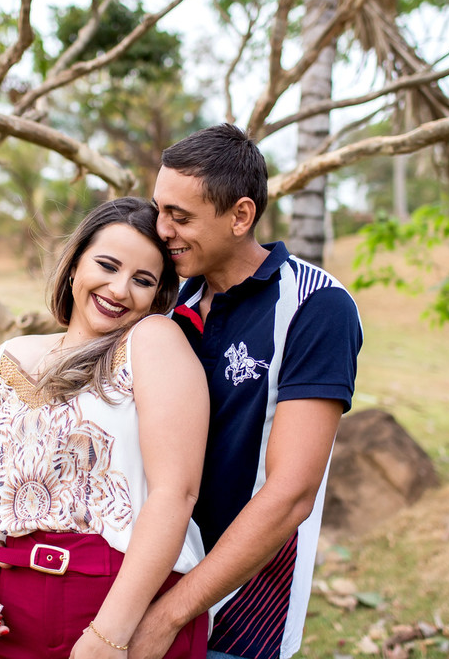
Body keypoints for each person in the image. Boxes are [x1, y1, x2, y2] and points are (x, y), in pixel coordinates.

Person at [0, 196, 212, 658]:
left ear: (158, 296)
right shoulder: (9, 360)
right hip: (12, 607)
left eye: (143, 280)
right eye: (107, 265)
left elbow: (175, 494)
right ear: (73, 266)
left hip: (120, 599)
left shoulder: (152, 342)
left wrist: (109, 634)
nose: (120, 290)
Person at [132, 124, 363, 659]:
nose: (160, 230)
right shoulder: (164, 303)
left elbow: (290, 495)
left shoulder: (316, 306)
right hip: (142, 583)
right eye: (158, 210)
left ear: (240, 216)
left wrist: (170, 615)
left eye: (180, 217)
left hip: (242, 614)